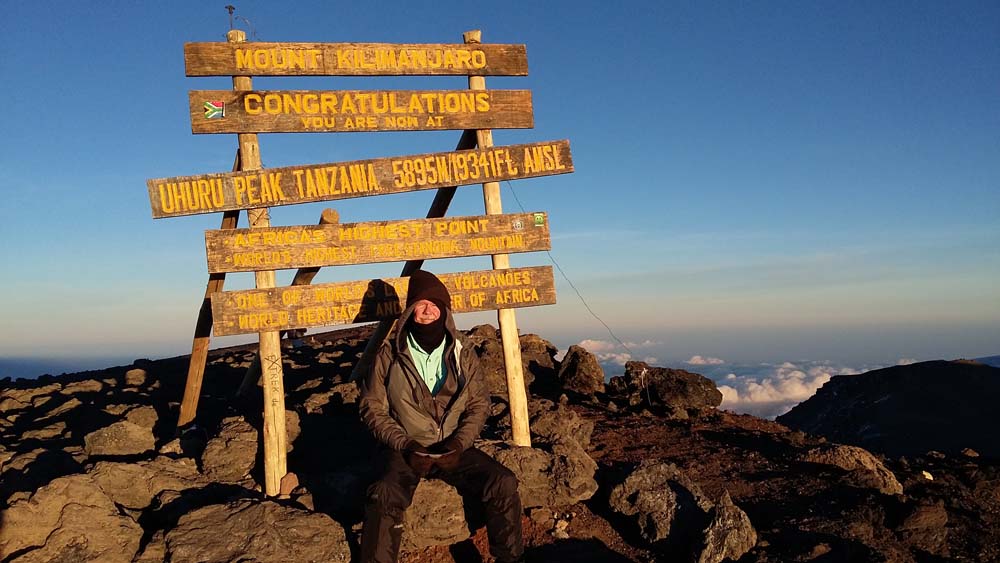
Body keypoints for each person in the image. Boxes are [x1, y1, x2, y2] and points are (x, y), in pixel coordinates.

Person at [358, 269, 525, 563]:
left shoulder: (463, 353)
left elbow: (479, 403)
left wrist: (459, 443)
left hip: (453, 447)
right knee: (384, 494)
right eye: (420, 304)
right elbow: (372, 407)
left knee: (503, 482)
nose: (427, 310)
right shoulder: (390, 355)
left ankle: (510, 559)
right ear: (410, 310)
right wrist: (405, 445)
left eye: (434, 304)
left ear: (445, 311)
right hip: (407, 449)